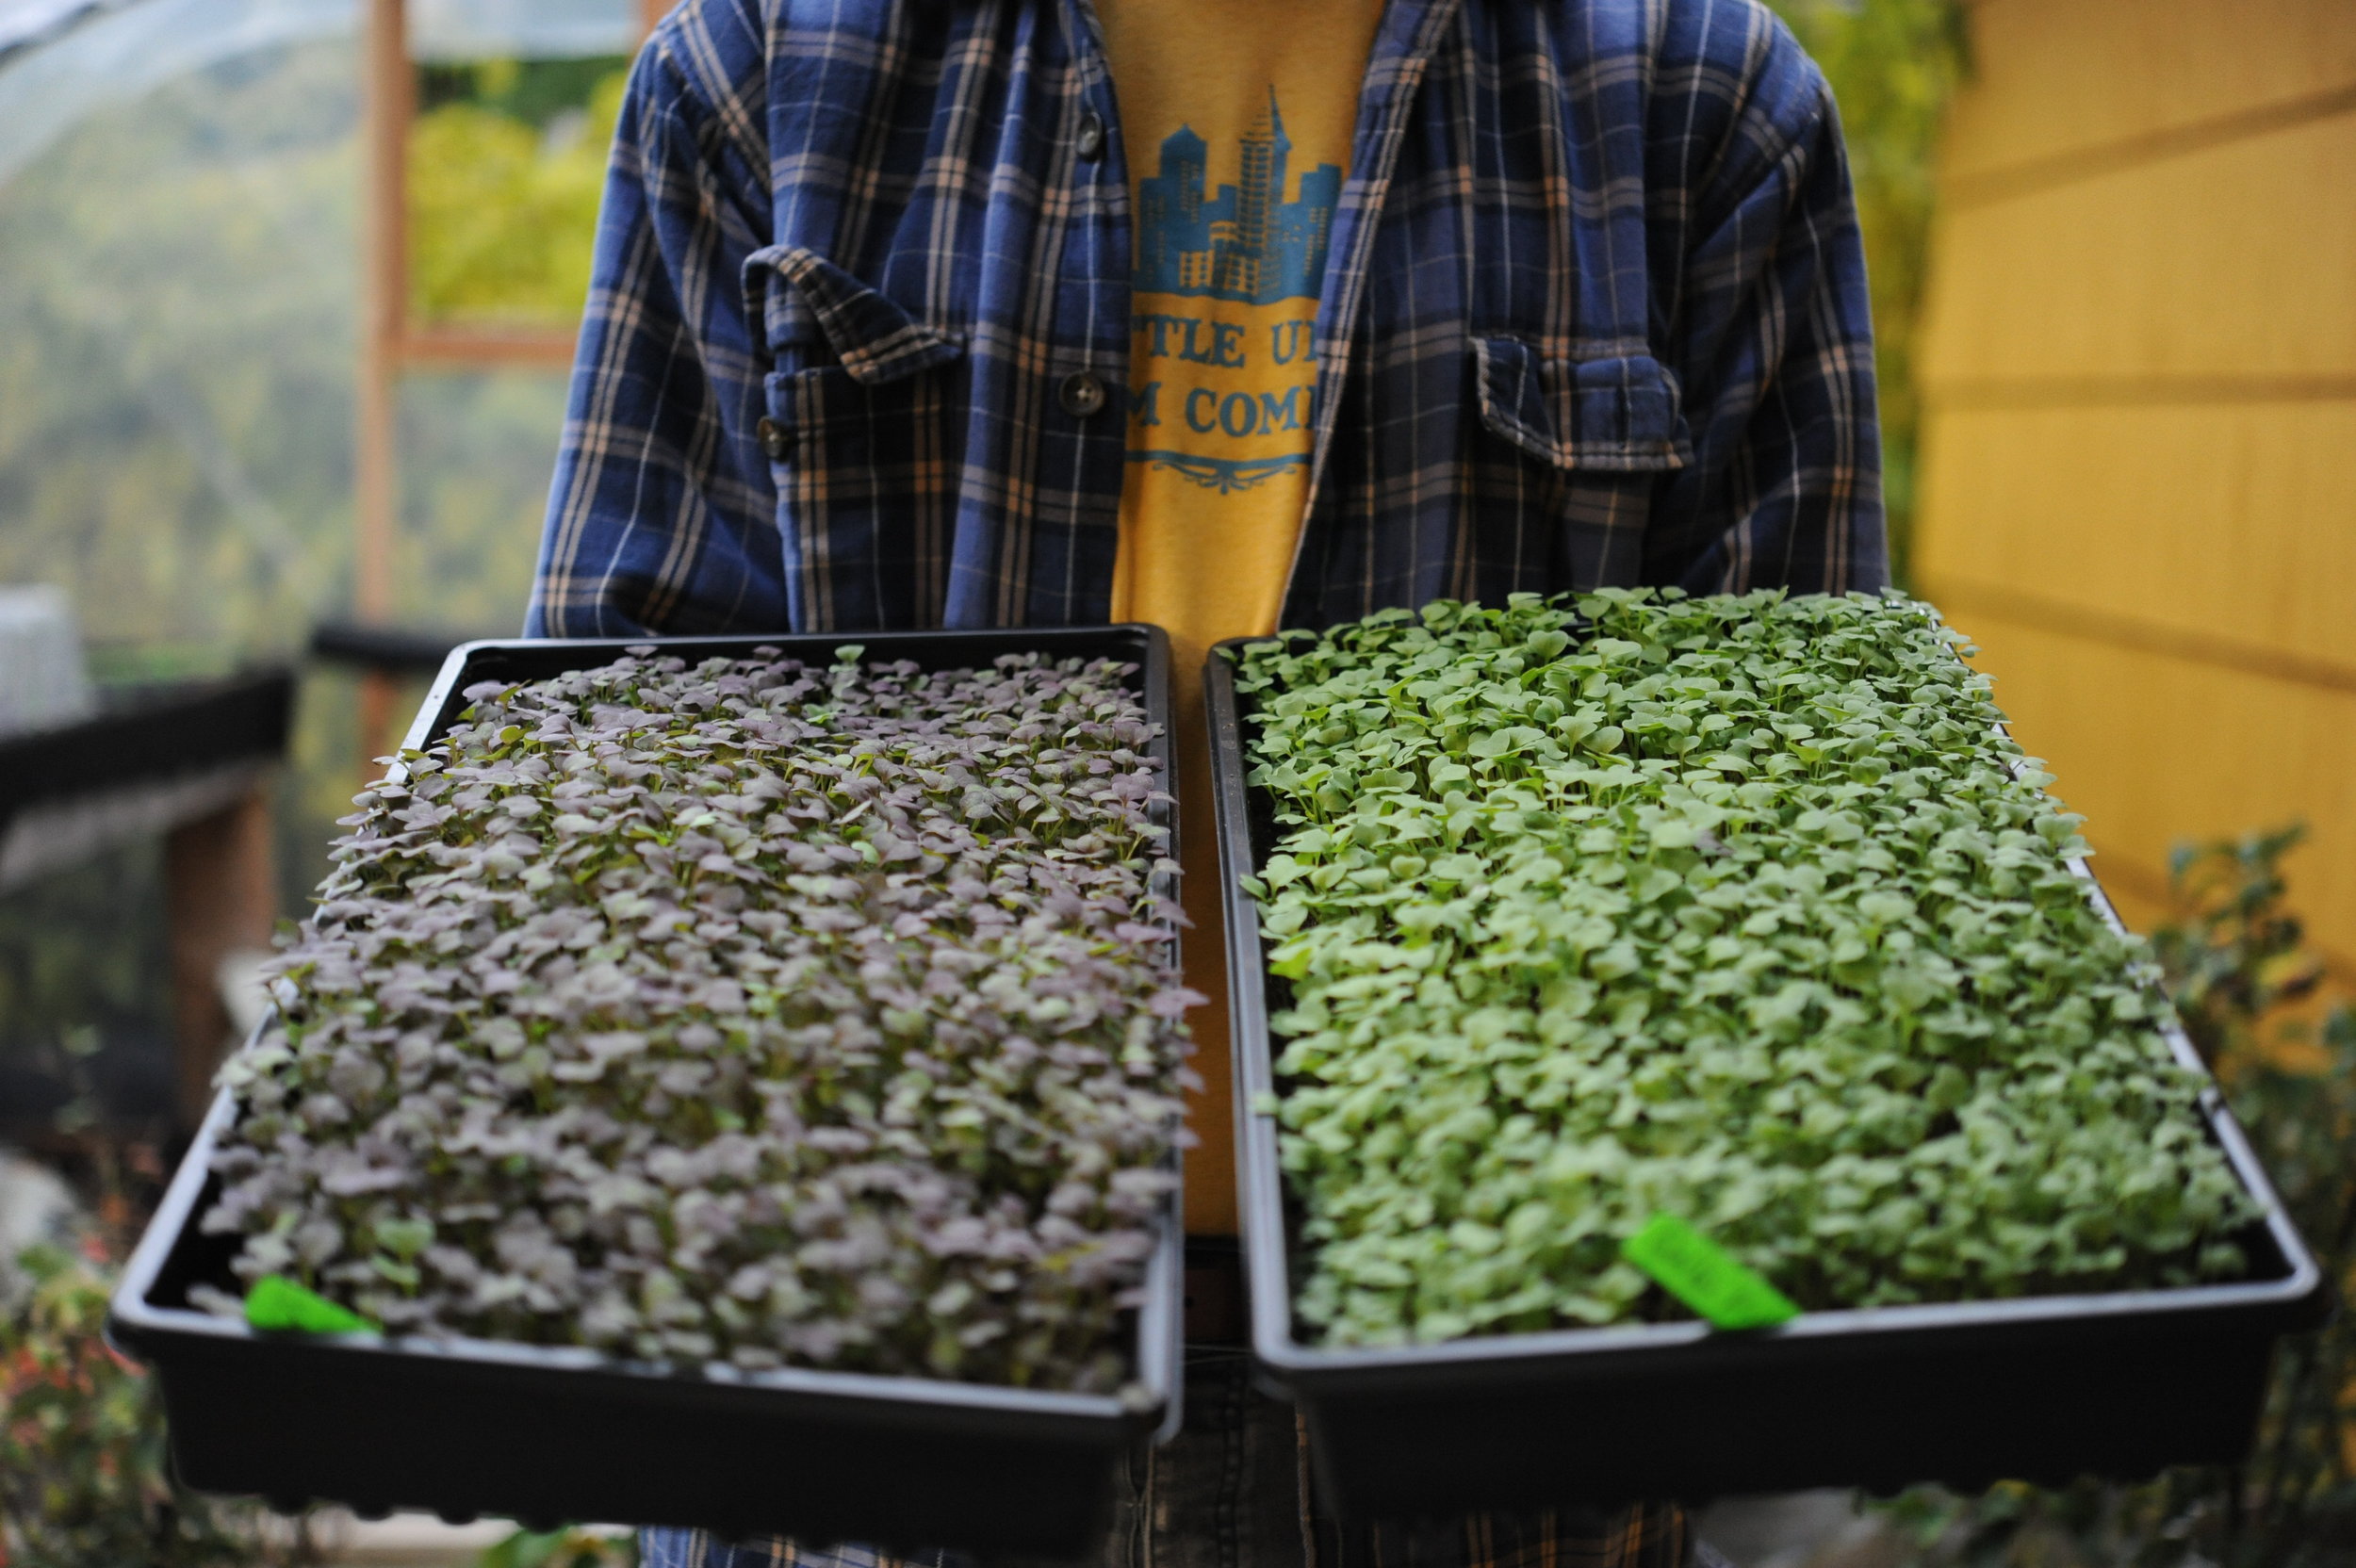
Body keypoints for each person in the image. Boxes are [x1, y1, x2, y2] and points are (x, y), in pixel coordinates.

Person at [528, 0, 1883, 1563]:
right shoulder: (766, 71)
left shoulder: (1696, 103)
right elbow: (619, 774)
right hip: (866, 1422)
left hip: (1482, 1443)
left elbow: (1795, 837)